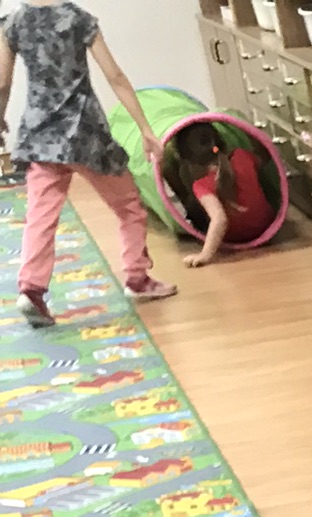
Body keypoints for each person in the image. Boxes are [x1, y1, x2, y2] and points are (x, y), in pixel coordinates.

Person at [0, 0, 176, 327]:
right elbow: (115, 76)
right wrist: (145, 128)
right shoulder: (79, 19)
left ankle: (31, 289)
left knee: (40, 215)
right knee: (129, 205)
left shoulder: (13, 23)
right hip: (86, 134)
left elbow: (2, 84)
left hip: (41, 136)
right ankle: (137, 278)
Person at [166, 121, 276, 267]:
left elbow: (220, 219)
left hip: (234, 236)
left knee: (197, 211)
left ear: (186, 159)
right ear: (221, 142)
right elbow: (265, 160)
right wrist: (253, 135)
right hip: (266, 225)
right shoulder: (242, 156)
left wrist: (205, 254)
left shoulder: (201, 185)